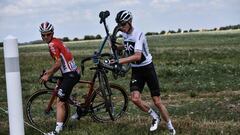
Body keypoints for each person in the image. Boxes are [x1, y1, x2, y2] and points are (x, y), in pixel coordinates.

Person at [113, 10, 176, 134]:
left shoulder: (139, 34)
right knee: (135, 99)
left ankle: (170, 126)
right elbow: (127, 46)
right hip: (136, 71)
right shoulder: (125, 34)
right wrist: (116, 46)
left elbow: (137, 56)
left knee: (157, 101)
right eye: (120, 25)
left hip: (147, 68)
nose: (121, 28)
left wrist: (118, 61)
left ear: (130, 22)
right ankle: (154, 116)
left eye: (123, 25)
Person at [39, 21, 80, 135]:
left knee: (60, 101)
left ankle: (57, 131)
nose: (46, 37)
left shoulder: (52, 45)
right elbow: (60, 62)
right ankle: (79, 108)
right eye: (43, 35)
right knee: (63, 94)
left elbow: (58, 63)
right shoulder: (56, 41)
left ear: (52, 33)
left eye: (48, 34)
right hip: (71, 72)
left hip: (70, 74)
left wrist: (48, 74)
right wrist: (49, 71)